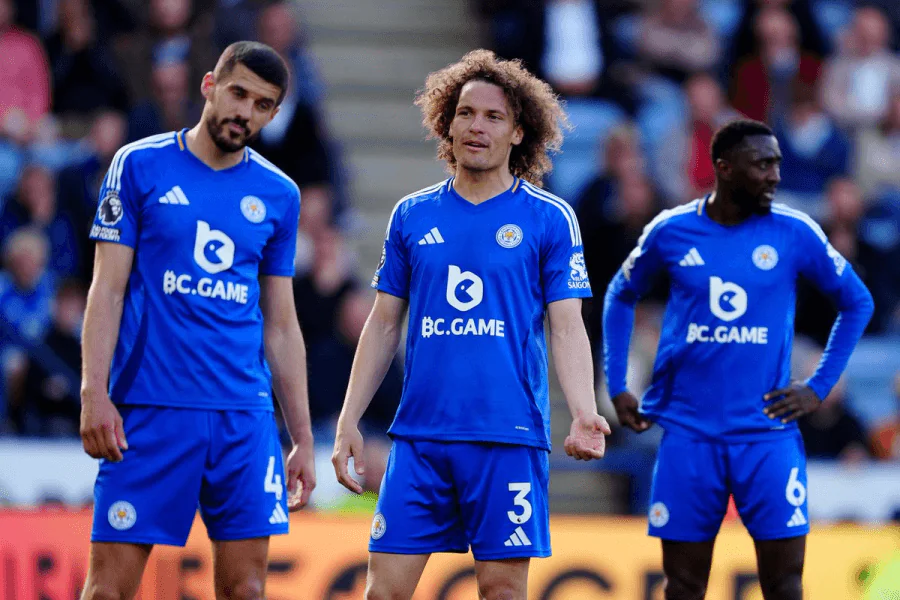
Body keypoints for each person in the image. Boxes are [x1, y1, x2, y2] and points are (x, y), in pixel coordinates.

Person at [330, 49, 610, 600]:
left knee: (502, 593)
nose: (476, 126)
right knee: (382, 592)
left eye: (493, 116)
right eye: (465, 113)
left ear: (518, 132)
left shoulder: (549, 217)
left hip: (506, 436)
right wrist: (347, 422)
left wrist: (583, 412)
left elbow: (567, 326)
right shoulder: (412, 215)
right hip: (421, 437)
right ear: (446, 122)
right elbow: (384, 324)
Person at [79, 41, 316, 600]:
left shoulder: (279, 194)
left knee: (248, 590)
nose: (245, 113)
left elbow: (281, 324)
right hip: (150, 412)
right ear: (209, 85)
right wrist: (94, 391)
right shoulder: (139, 165)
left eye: (262, 105)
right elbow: (106, 289)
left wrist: (303, 436)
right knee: (108, 589)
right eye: (238, 94)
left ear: (274, 114)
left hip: (243, 418)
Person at [602, 119, 874, 600]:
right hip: (689, 436)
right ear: (724, 169)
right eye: (762, 164)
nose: (774, 175)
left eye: (777, 164)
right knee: (683, 586)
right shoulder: (672, 231)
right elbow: (620, 294)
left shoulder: (794, 232)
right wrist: (619, 382)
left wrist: (818, 385)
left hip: (766, 435)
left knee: (784, 583)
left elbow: (858, 302)